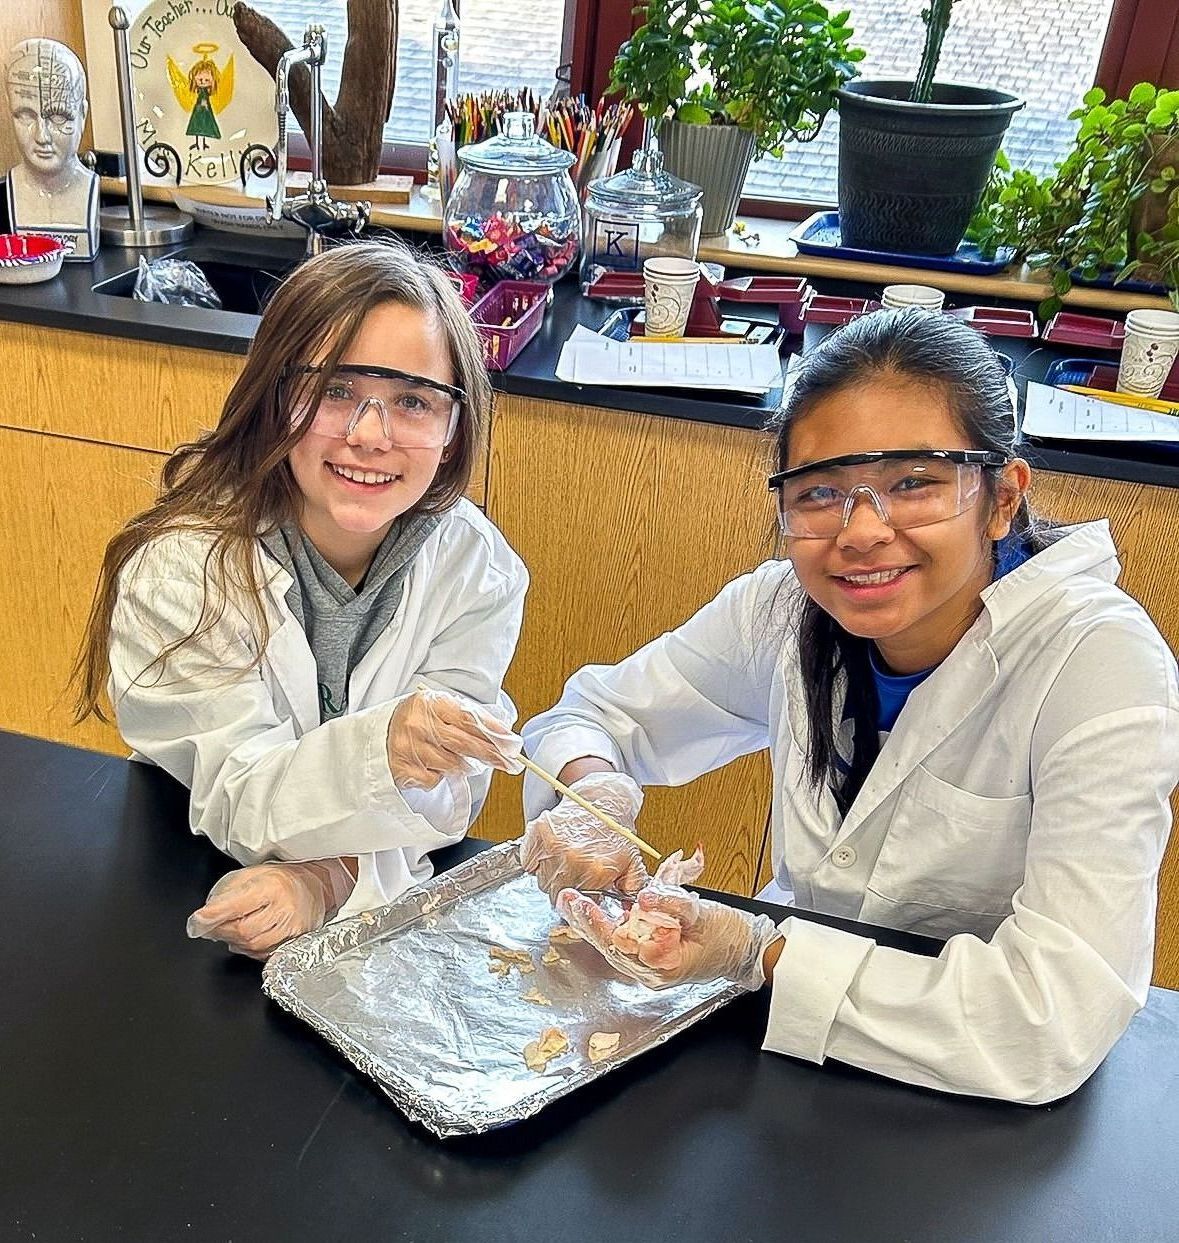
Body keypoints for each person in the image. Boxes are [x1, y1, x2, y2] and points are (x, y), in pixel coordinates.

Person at [519, 307, 1179, 1105]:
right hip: (787, 1063)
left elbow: (1049, 1019)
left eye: (913, 482)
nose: (860, 531)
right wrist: (592, 787)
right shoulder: (777, 608)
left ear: (1002, 497)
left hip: (981, 1109)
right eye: (820, 492)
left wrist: (756, 953)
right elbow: (587, 714)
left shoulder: (1097, 664)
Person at [74, 241, 528, 958]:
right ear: (274, 393)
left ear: (453, 428)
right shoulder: (184, 568)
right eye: (336, 390)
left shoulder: (477, 569)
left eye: (412, 400)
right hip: (194, 882)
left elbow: (448, 805)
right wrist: (384, 755)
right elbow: (235, 796)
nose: (369, 435)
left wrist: (327, 877)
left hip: (376, 920)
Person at [4, 37, 100, 259]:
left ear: (82, 116)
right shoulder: (6, 194)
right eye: (25, 116)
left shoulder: (88, 188)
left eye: (58, 117)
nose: (41, 136)